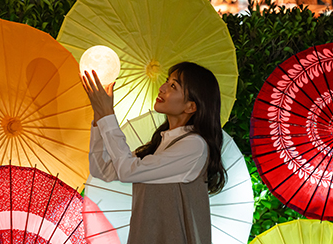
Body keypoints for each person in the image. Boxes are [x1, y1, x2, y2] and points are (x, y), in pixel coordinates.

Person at [82, 61, 226, 244]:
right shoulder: (161, 145)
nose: (162, 88)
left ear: (191, 107)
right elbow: (102, 169)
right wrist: (99, 116)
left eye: (173, 86)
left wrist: (107, 114)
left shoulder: (194, 147)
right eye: (167, 82)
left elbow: (128, 171)